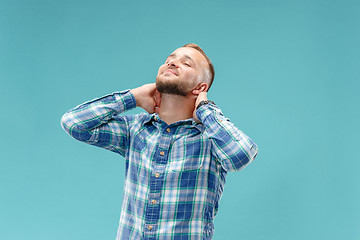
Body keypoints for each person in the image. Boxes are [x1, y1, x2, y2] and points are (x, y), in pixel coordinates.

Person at [61, 43, 258, 240]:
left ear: (201, 87)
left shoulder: (211, 138)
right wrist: (132, 97)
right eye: (169, 59)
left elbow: (240, 155)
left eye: (186, 63)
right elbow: (74, 124)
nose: (172, 63)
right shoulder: (135, 129)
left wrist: (205, 108)